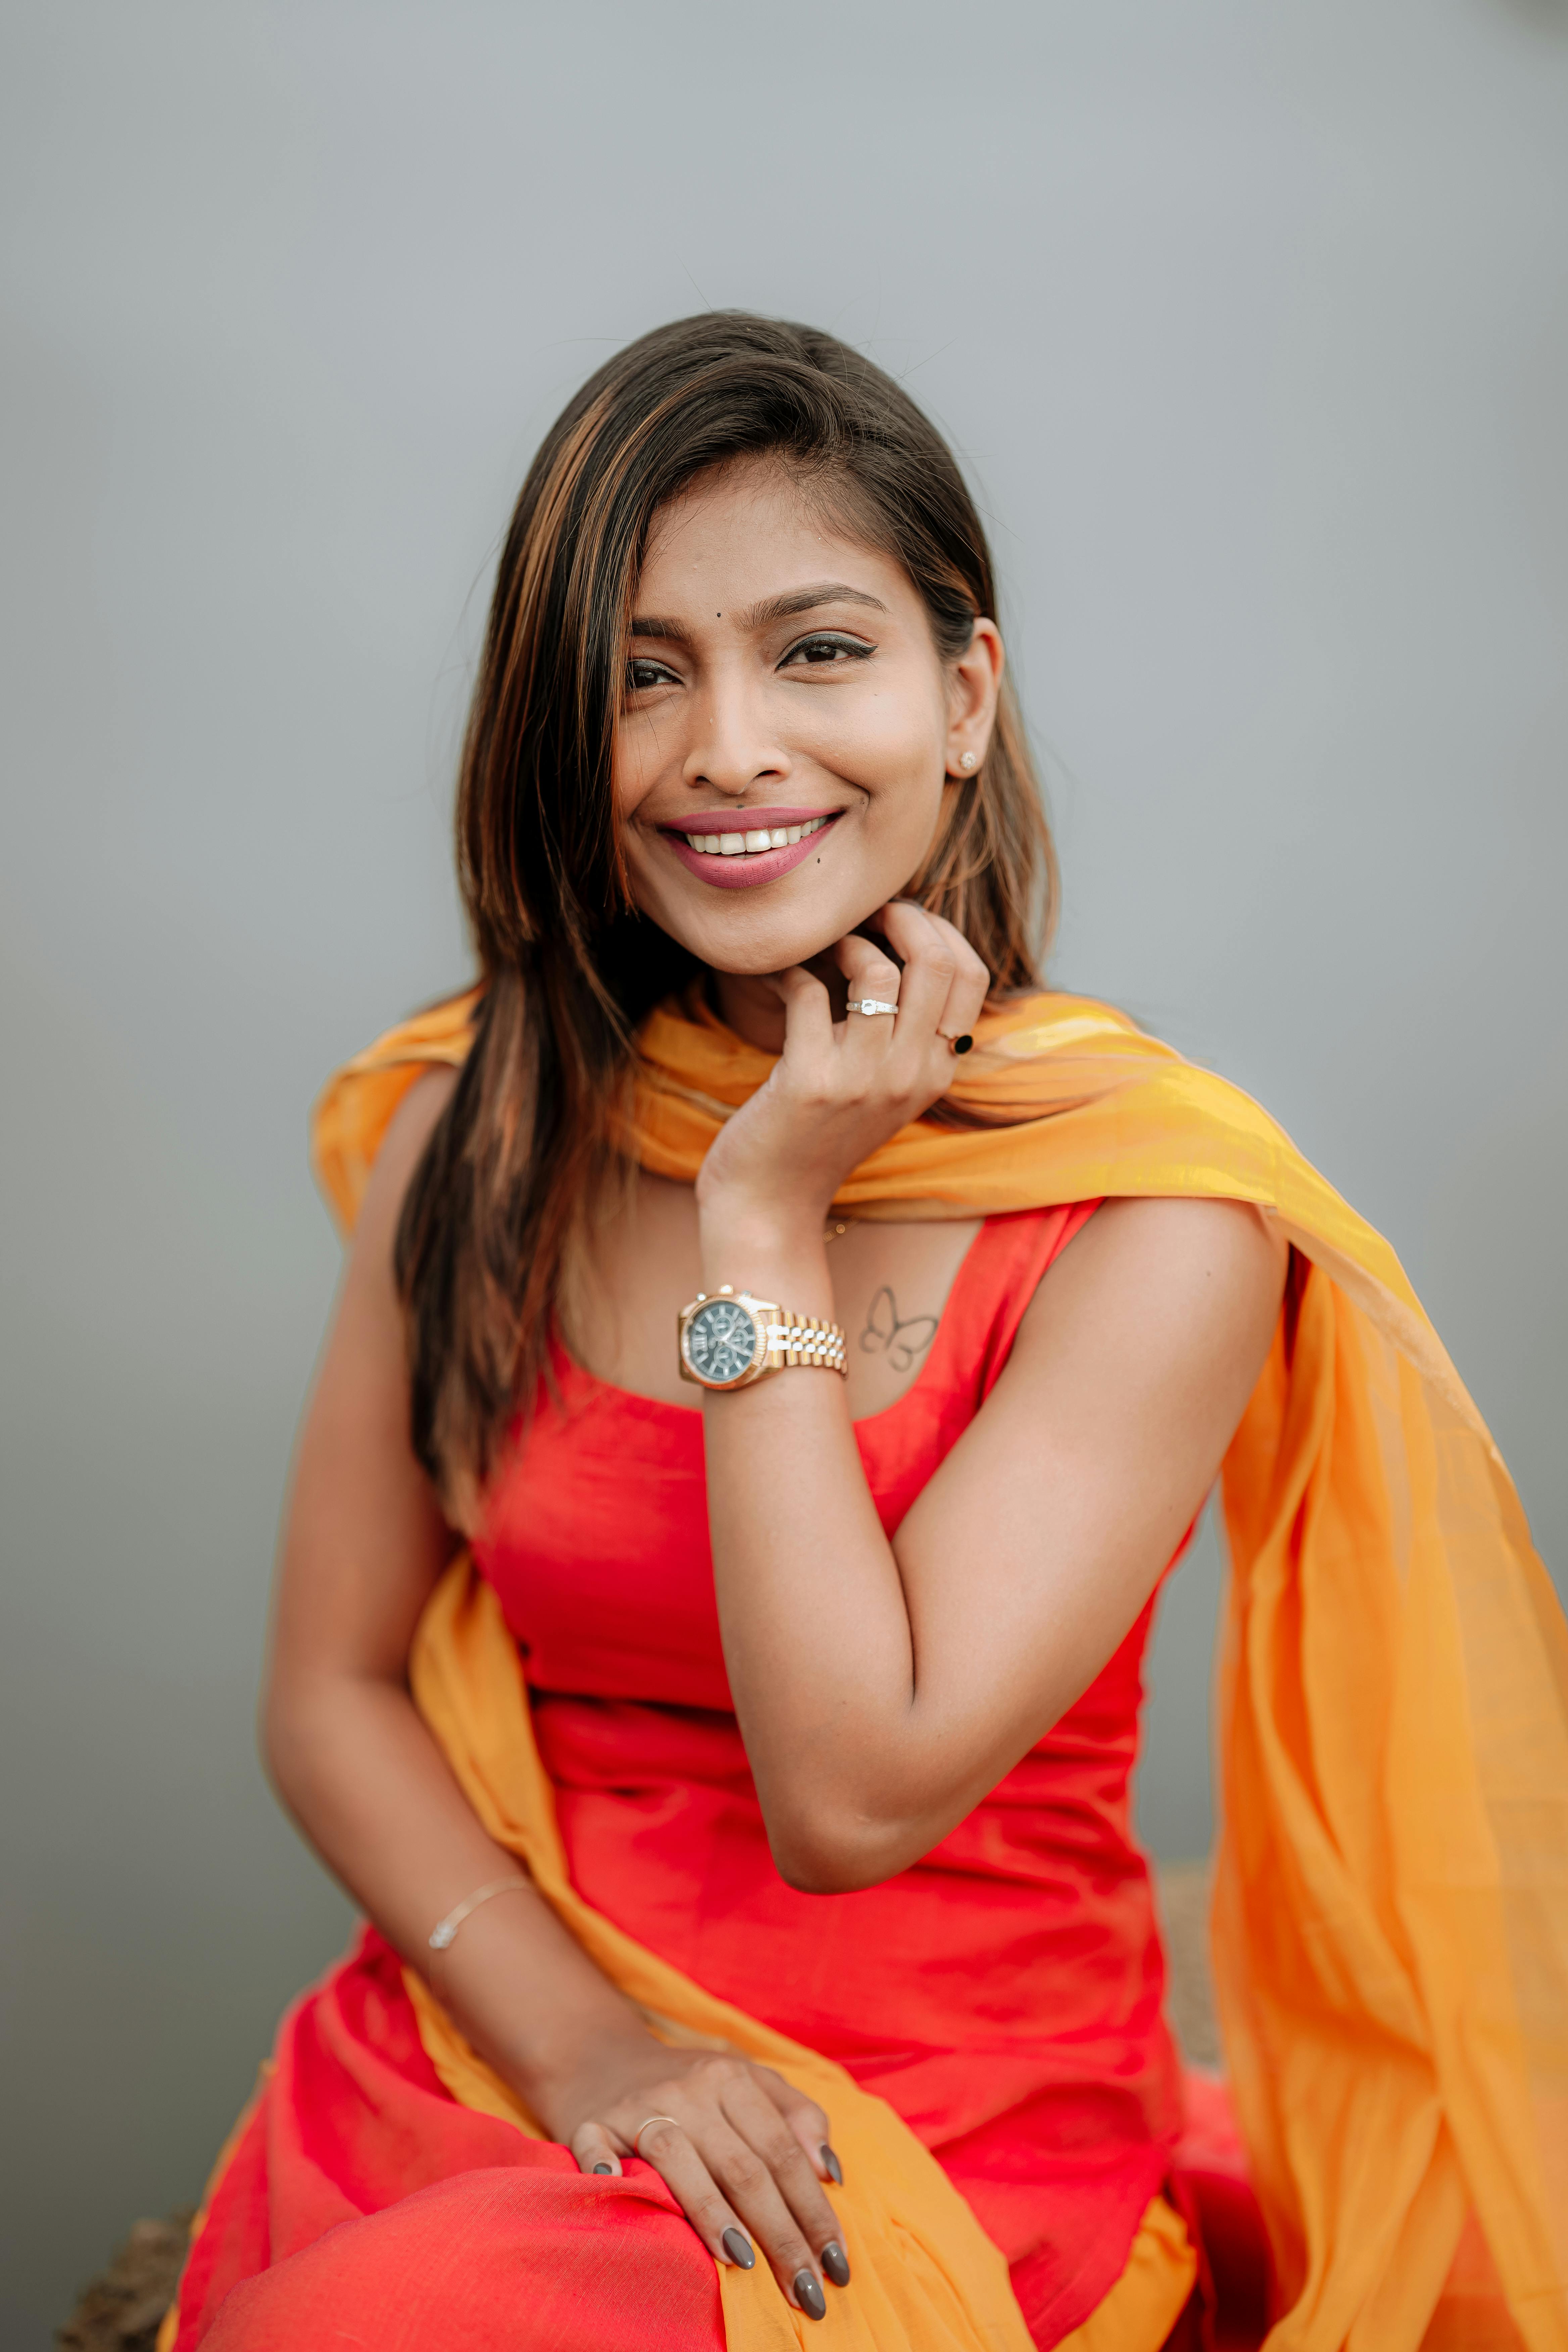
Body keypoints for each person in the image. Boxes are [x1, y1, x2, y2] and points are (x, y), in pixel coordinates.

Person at [161, 315, 1568, 2352]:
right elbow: (331, 1688)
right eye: (644, 675)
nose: (728, 745)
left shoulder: (1152, 1212)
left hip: (936, 2125)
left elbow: (850, 1798)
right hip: (511, 2039)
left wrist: (763, 1213)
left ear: (965, 693)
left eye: (819, 650)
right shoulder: (479, 1130)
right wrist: (587, 2056)